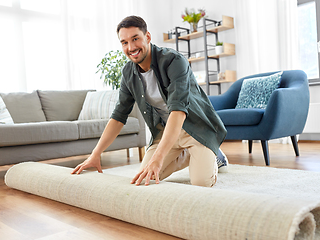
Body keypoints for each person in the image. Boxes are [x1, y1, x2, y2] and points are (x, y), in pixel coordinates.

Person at [72, 15, 228, 187]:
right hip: (166, 133)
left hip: (196, 130)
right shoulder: (128, 73)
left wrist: (158, 158)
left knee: (200, 184)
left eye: (135, 39)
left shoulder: (174, 61)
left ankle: (214, 154)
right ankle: (188, 155)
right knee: (145, 178)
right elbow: (118, 116)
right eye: (124, 42)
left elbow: (178, 110)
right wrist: (95, 154)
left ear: (147, 37)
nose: (131, 47)